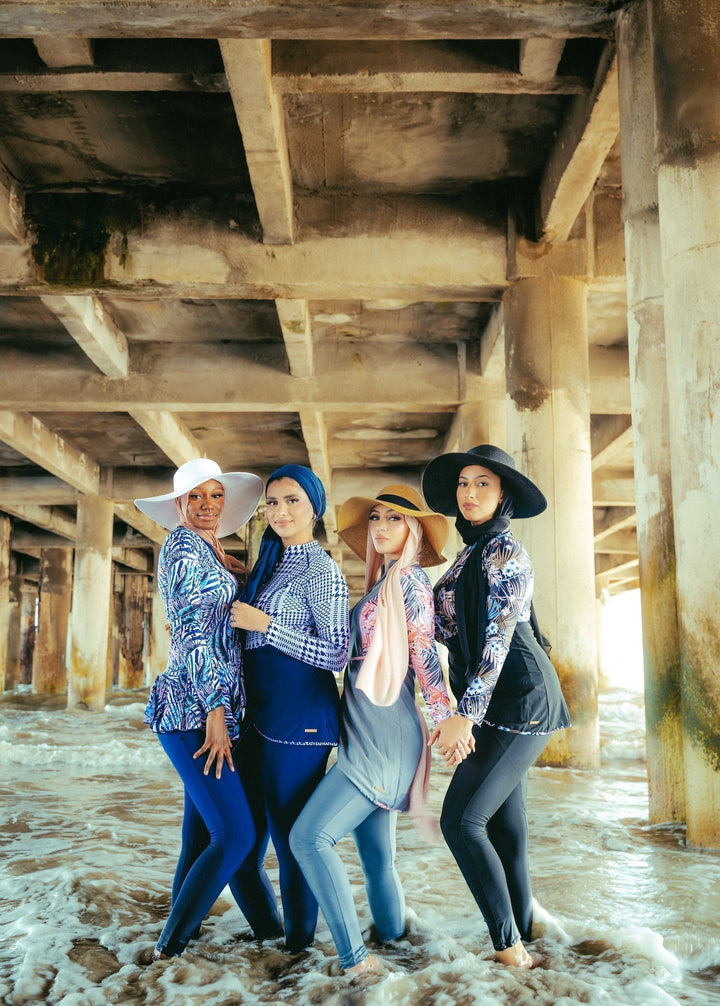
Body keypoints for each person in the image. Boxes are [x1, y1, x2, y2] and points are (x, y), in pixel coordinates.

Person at [290, 484, 460, 978]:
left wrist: (446, 715)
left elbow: (424, 652)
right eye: (376, 519)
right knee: (377, 862)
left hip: (384, 737)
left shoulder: (409, 583)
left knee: (309, 839)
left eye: (395, 519)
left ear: (413, 531)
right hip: (367, 731)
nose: (382, 527)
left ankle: (356, 962)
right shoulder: (382, 581)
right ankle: (404, 951)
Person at [421, 444, 571, 970]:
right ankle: (533, 939)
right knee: (506, 827)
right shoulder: (468, 554)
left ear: (503, 493)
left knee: (462, 821)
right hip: (490, 700)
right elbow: (447, 631)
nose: (469, 492)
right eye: (463, 484)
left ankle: (510, 951)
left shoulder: (505, 551)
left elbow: (497, 641)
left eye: (482, 483)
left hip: (519, 698)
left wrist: (465, 714)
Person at [134, 457, 264, 961]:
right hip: (194, 710)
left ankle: (179, 944)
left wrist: (238, 569)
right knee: (236, 835)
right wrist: (216, 712)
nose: (208, 505)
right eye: (197, 497)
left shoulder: (206, 549)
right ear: (179, 505)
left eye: (215, 495)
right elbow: (193, 635)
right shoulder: (184, 546)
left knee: (200, 838)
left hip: (199, 705)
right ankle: (168, 950)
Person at [228, 464, 349, 952]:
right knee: (240, 842)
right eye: (272, 502)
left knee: (291, 842)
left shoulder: (322, 568)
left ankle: (298, 954)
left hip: (301, 721)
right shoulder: (268, 563)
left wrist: (266, 624)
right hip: (257, 716)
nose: (280, 511)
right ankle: (269, 940)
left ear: (314, 508)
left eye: (292, 500)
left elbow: (338, 652)